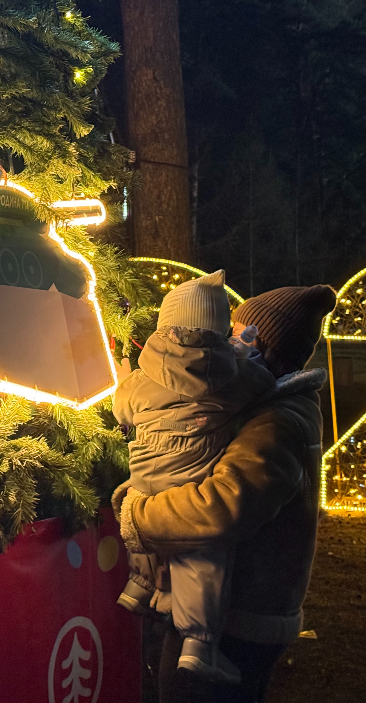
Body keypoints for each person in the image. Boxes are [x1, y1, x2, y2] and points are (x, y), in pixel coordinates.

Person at [115, 284, 337, 703]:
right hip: (230, 612)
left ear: (264, 347)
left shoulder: (279, 421)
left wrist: (139, 516)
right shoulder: (260, 405)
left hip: (238, 621)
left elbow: (223, 506)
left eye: (237, 332)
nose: (227, 342)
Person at [113, 270, 276, 685]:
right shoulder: (235, 377)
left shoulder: (141, 376)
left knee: (143, 520)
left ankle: (137, 587)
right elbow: (263, 385)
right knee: (200, 555)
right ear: (220, 327)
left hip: (145, 471)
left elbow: (122, 409)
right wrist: (248, 354)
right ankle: (199, 646)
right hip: (191, 480)